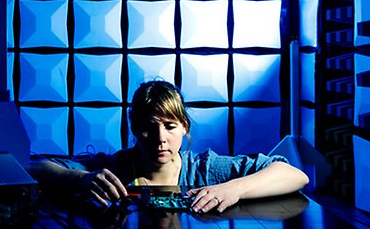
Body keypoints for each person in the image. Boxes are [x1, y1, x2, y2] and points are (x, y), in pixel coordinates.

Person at [28, 79, 309, 213]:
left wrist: (235, 188)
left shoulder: (206, 169)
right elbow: (35, 168)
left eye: (170, 126)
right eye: (150, 128)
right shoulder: (116, 168)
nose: (161, 138)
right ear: (135, 129)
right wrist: (81, 177)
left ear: (185, 126)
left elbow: (295, 174)